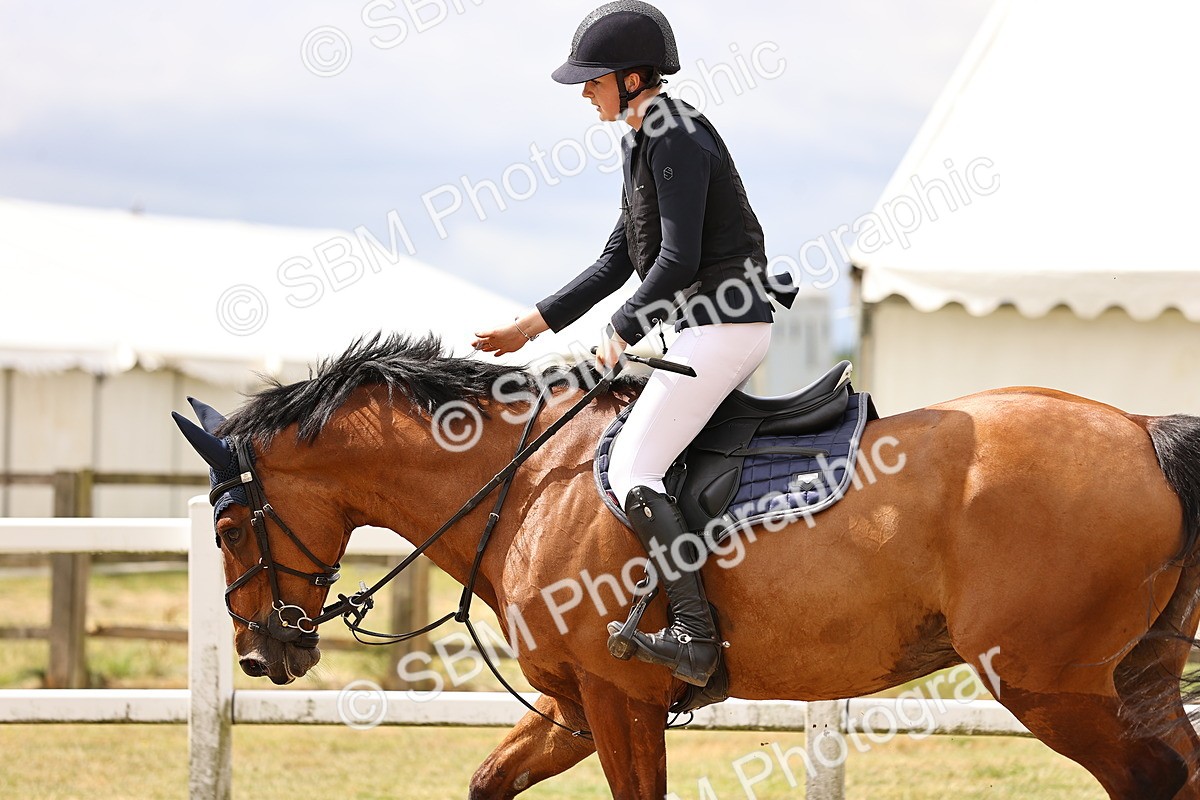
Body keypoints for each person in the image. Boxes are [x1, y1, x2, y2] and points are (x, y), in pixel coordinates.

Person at [472, 1, 790, 688]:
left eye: (593, 79)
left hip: (726, 326)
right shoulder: (644, 138)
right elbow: (619, 258)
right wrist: (530, 327)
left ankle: (694, 636)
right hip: (703, 326)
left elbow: (675, 262)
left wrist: (621, 330)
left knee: (630, 471)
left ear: (633, 77)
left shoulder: (674, 133)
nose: (585, 92)